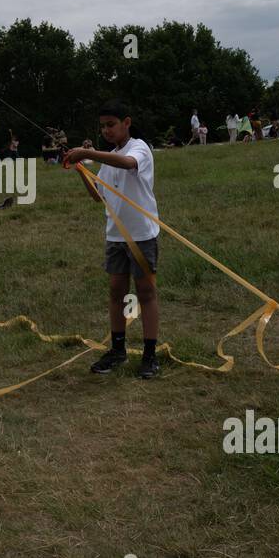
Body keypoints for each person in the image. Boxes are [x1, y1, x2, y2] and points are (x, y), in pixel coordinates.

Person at [63, 100, 162, 380]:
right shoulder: (108, 158)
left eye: (111, 124)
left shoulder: (138, 148)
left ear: (126, 123)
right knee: (116, 292)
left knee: (145, 294)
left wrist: (88, 151)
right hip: (115, 236)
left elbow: (130, 165)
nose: (106, 130)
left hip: (141, 235)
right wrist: (82, 168)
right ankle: (117, 350)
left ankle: (149, 355)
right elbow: (98, 195)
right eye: (102, 126)